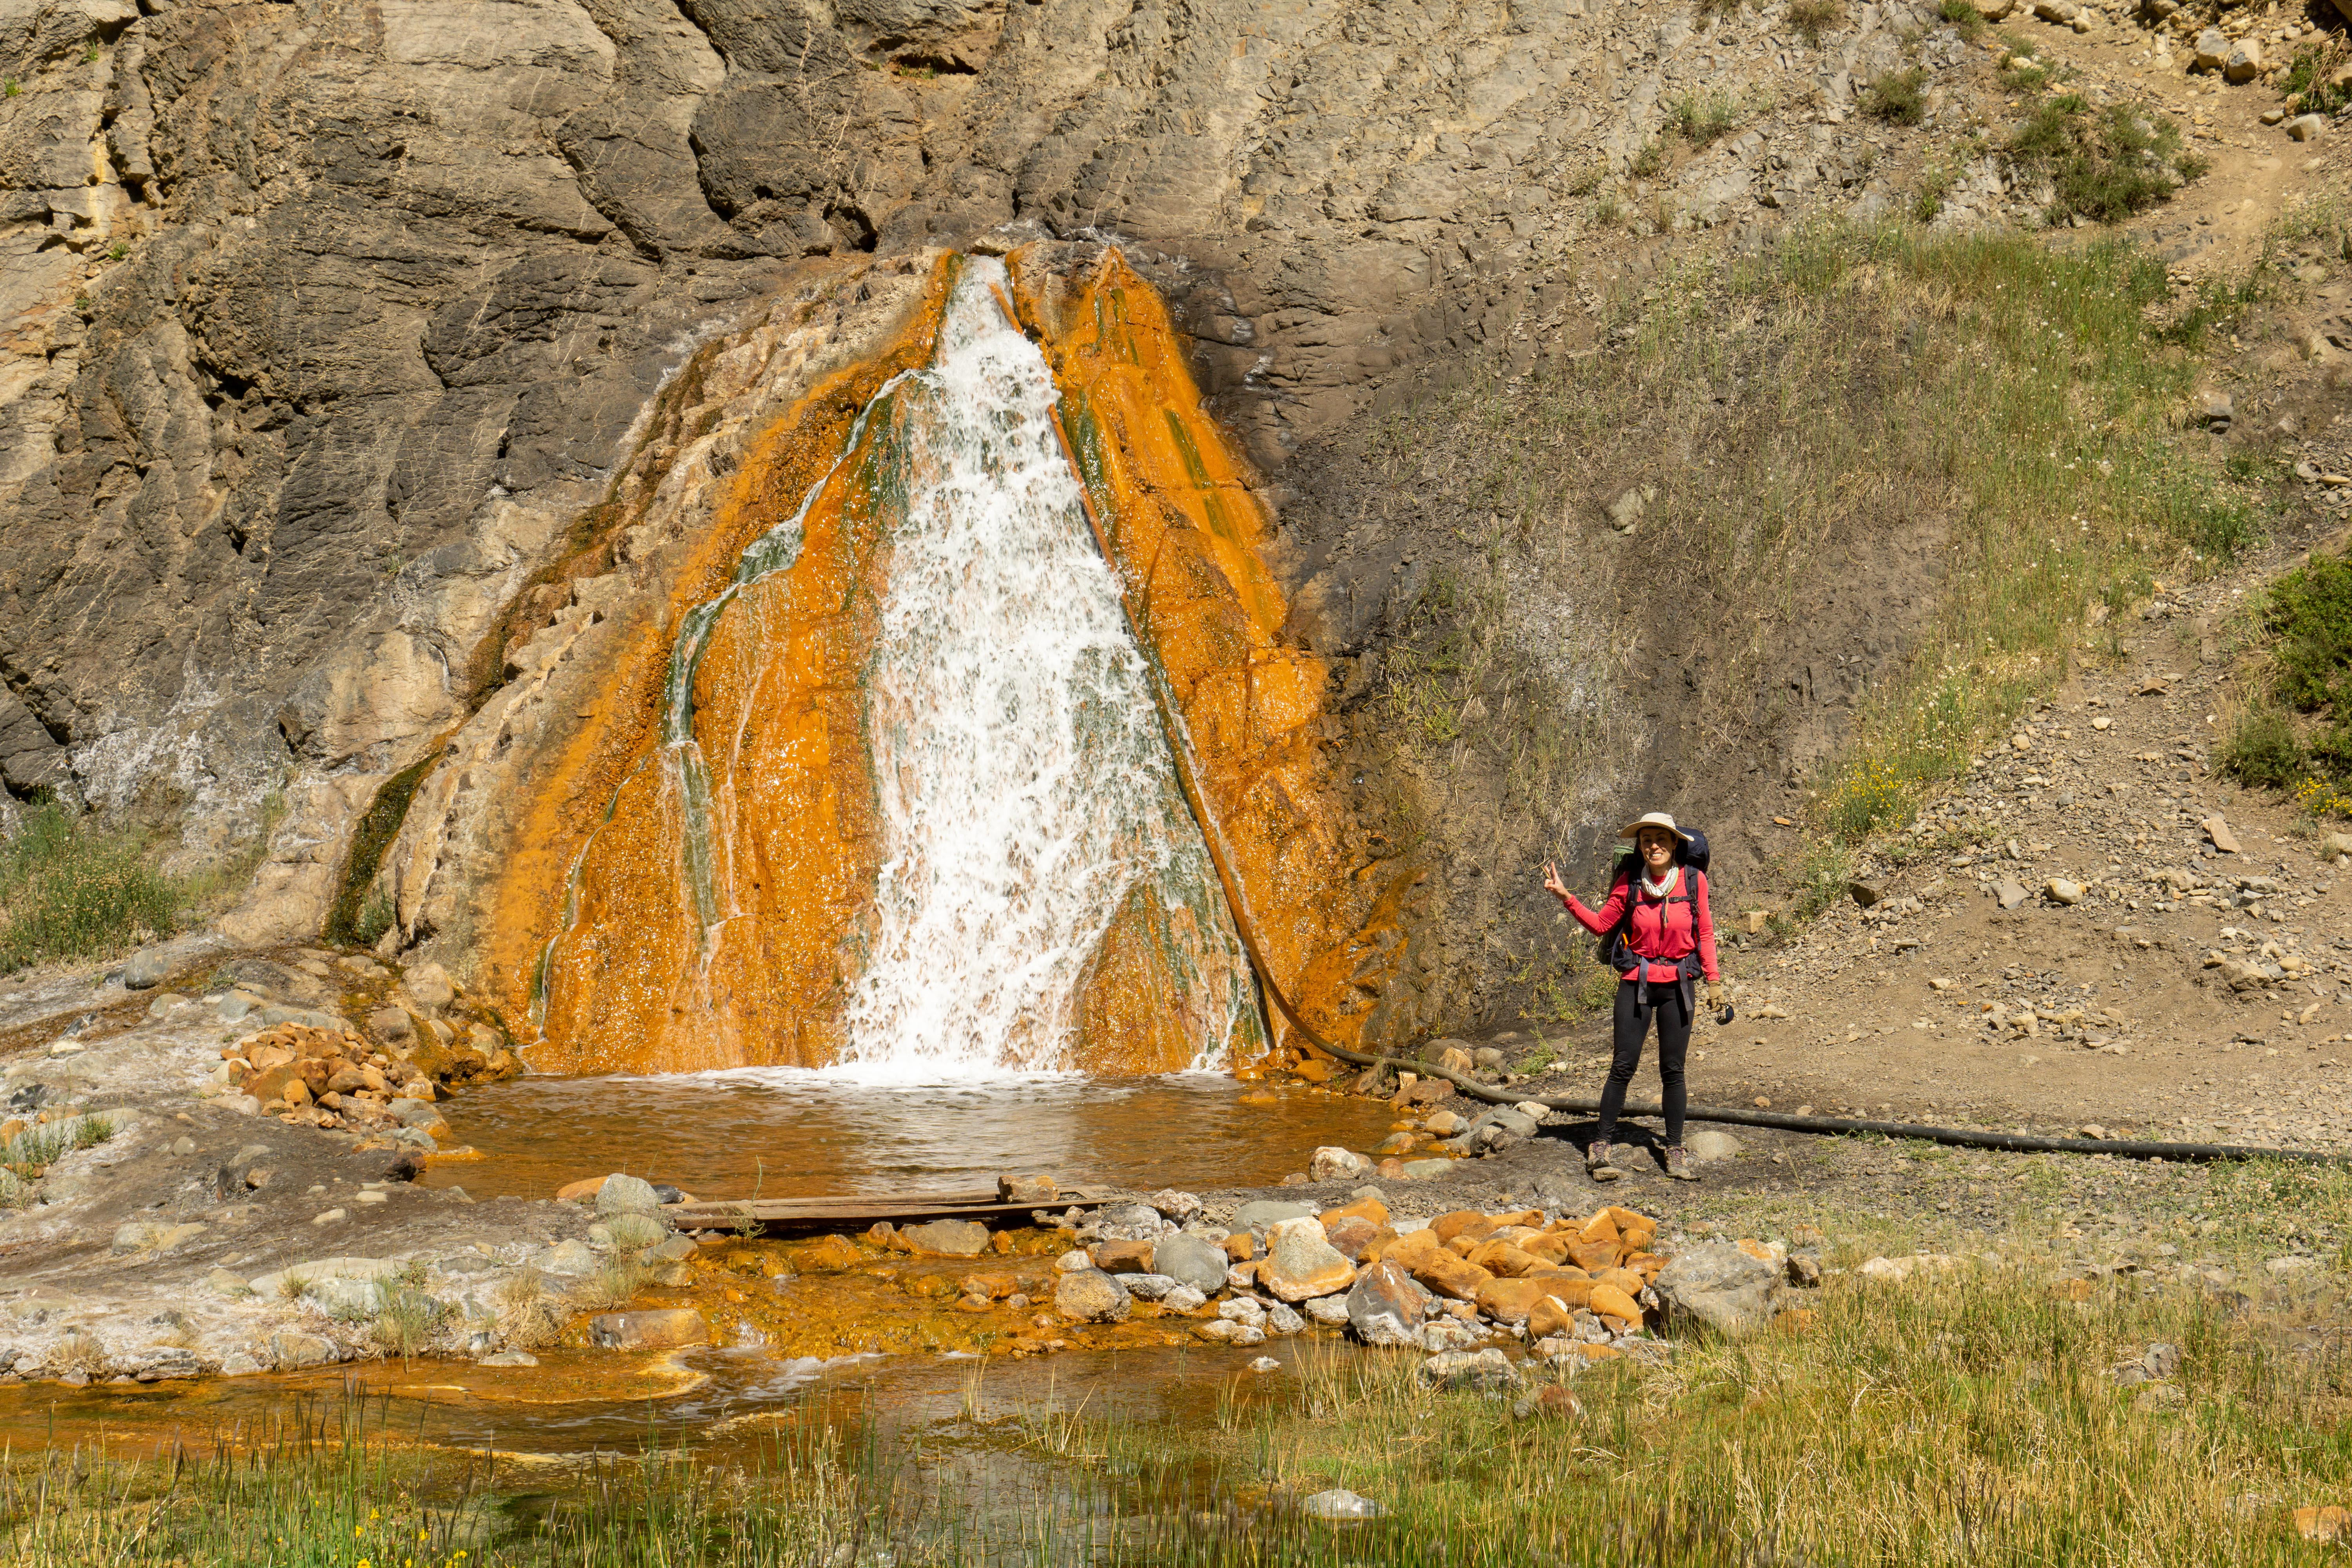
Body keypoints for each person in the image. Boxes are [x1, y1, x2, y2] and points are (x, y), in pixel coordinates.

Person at [1541, 812, 1723, 1183]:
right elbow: (1602, 925)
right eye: (1646, 841)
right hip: (1636, 982)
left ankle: (1674, 1148)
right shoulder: (1630, 881)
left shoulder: (1694, 880)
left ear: (1674, 844)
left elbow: (1704, 932)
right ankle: (1601, 1144)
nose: (1653, 845)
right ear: (1640, 848)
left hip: (1678, 984)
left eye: (1660, 839)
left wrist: (1715, 984)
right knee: (1623, 1065)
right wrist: (1567, 898)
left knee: (1673, 1071)